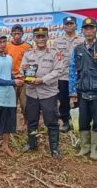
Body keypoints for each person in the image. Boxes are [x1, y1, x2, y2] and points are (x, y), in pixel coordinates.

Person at [69, 18, 97, 159]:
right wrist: (72, 92)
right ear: (82, 30)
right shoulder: (77, 49)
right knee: (83, 121)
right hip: (82, 92)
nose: (89, 31)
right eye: (86, 28)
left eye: (91, 28)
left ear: (96, 30)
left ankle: (95, 149)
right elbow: (72, 71)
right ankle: (85, 147)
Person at [20, 26, 65, 158]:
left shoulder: (55, 53)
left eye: (43, 36)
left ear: (47, 37)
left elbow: (58, 70)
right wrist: (25, 74)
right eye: (37, 37)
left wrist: (43, 79)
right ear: (33, 38)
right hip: (32, 93)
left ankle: (55, 148)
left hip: (48, 93)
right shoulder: (28, 54)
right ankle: (32, 144)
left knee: (51, 122)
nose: (40, 39)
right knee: (32, 120)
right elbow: (23, 69)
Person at [0, 33, 24, 159]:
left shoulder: (9, 58)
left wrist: (16, 77)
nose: (2, 44)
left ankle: (5, 146)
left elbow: (8, 74)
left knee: (8, 122)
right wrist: (13, 82)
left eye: (4, 41)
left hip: (10, 96)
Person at [53, 16, 83, 133]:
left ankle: (76, 121)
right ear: (63, 26)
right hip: (63, 76)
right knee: (63, 100)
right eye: (67, 24)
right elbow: (55, 58)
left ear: (76, 25)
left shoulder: (82, 41)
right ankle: (65, 121)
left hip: (78, 76)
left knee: (78, 99)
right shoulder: (57, 41)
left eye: (71, 24)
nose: (69, 26)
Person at [6, 24, 32, 124]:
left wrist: (28, 78)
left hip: (24, 80)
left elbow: (32, 63)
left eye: (19, 34)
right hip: (11, 80)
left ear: (22, 34)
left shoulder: (27, 46)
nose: (17, 36)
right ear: (11, 34)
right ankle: (11, 126)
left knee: (25, 105)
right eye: (15, 34)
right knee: (11, 105)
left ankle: (28, 124)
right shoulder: (7, 47)